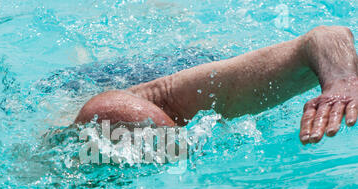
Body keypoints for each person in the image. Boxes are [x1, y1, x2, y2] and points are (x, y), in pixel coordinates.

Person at [74, 26, 357, 145]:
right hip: (77, 86)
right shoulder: (67, 147)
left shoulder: (183, 100)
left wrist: (342, 81)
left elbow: (327, 36)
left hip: (191, 60)